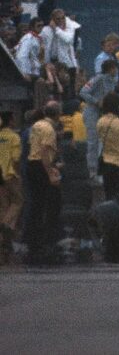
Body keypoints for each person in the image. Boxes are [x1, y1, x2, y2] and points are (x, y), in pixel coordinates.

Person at [24, 102, 63, 264]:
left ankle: (33, 241)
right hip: (42, 167)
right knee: (52, 204)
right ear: (57, 114)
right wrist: (51, 173)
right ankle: (48, 240)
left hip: (32, 165)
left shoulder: (37, 125)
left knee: (36, 204)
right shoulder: (48, 128)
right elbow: (45, 151)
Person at [0, 111, 21, 263]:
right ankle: (6, 225)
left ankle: (4, 241)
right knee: (18, 201)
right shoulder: (14, 137)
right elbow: (16, 158)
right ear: (11, 121)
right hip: (10, 175)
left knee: (4, 206)